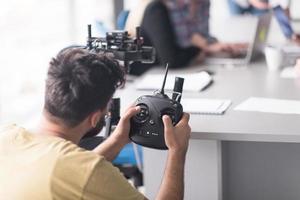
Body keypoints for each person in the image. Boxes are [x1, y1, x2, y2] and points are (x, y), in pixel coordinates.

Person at [0, 48, 191, 200]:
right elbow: (80, 173)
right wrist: (177, 150)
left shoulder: (7, 135)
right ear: (94, 119)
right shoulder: (86, 172)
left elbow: (73, 172)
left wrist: (117, 140)